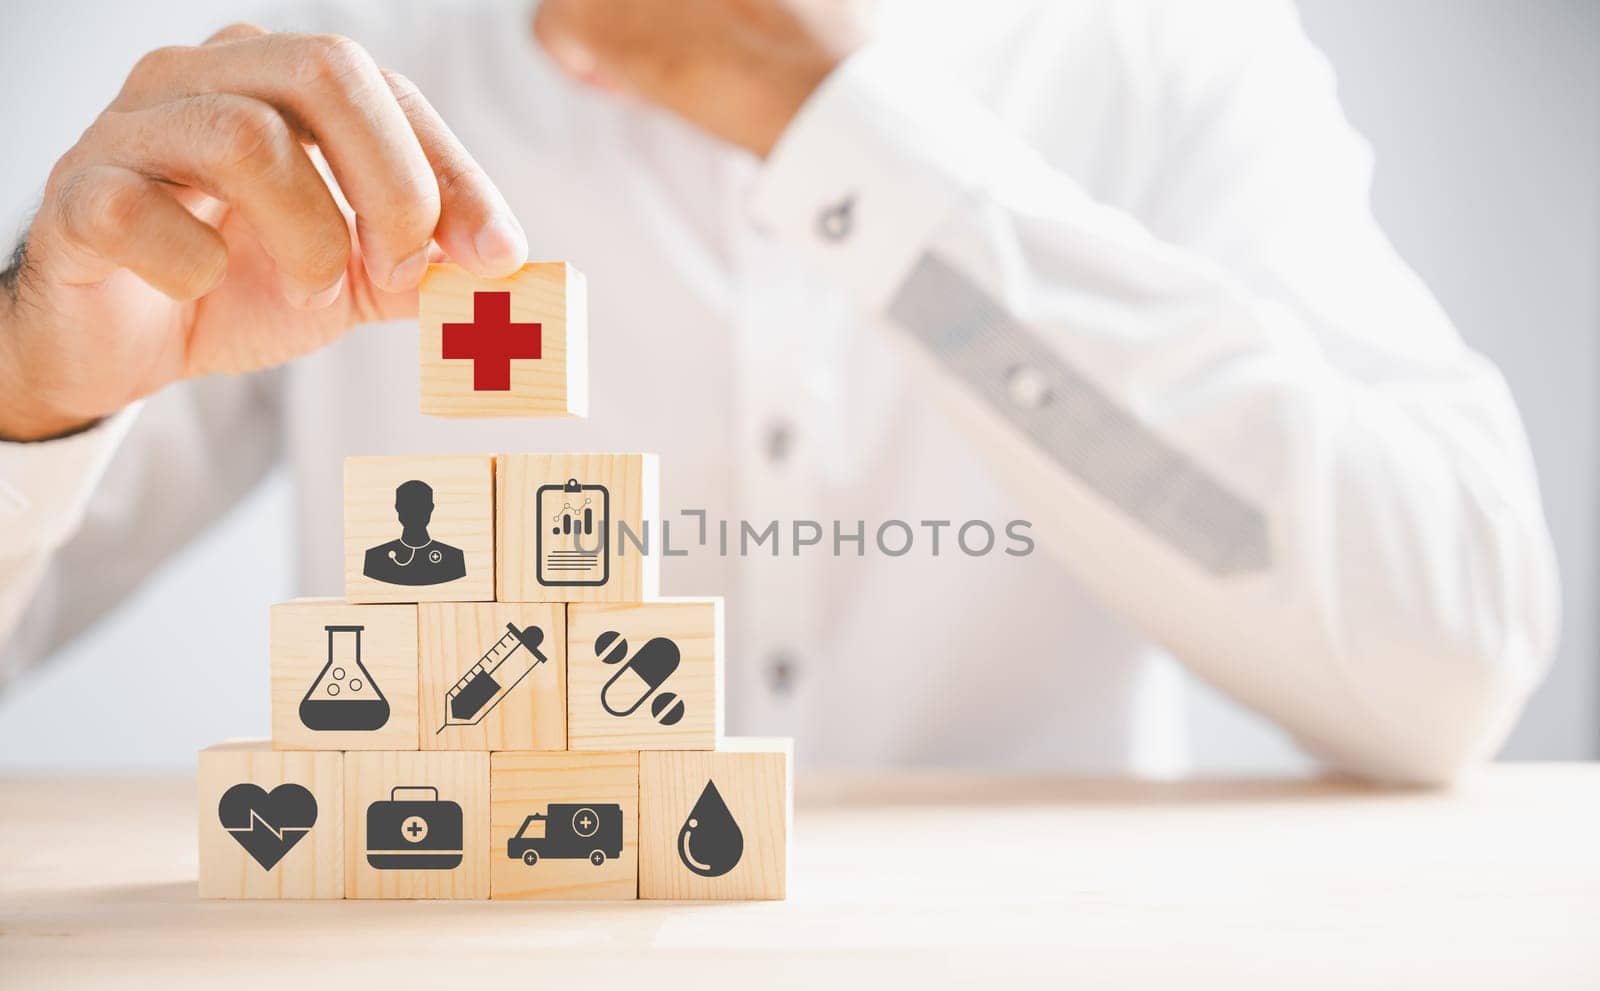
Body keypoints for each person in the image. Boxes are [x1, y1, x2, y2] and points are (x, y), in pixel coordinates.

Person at [0, 0, 1561, 782]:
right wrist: (28, 386)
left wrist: (825, 118)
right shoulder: (350, 63)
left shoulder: (1164, 56)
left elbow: (1452, 658)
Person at [362, 480, 467, 587]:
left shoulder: (452, 558)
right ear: (397, 507)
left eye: (420, 505)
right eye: (408, 505)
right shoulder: (376, 558)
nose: (414, 511)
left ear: (430, 508)